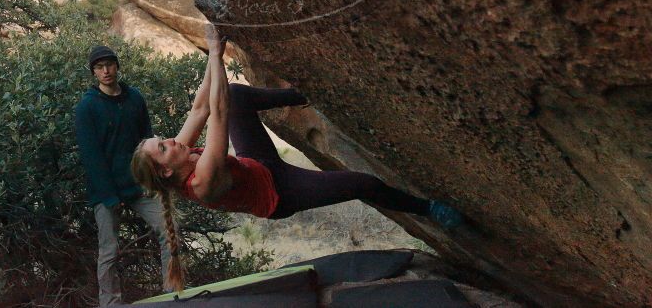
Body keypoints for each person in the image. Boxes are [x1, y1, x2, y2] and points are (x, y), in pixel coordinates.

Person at [131, 25, 463, 291]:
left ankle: (309, 95)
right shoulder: (202, 181)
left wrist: (213, 44)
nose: (172, 141)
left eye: (163, 140)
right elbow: (217, 112)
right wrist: (216, 54)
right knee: (363, 184)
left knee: (240, 95)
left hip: (256, 164)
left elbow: (201, 107)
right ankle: (430, 209)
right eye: (163, 147)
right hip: (280, 193)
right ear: (165, 172)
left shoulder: (179, 155)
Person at [74, 45, 174, 306]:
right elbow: (91, 156)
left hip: (139, 184)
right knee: (109, 250)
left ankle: (174, 294)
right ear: (93, 72)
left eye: (109, 64)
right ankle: (111, 304)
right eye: (99, 67)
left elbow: (147, 141)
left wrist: (155, 178)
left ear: (117, 66)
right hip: (106, 190)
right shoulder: (87, 107)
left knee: (170, 231)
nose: (105, 70)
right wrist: (108, 195)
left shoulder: (135, 98)